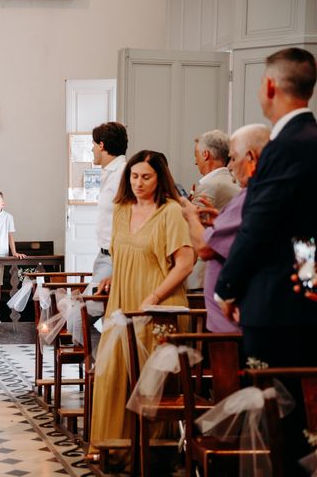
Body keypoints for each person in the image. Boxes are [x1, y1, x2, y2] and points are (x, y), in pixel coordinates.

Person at [215, 48, 317, 474]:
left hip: (274, 304)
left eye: (259, 82)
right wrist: (310, 283)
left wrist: (228, 287)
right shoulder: (310, 140)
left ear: (271, 86)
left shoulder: (284, 145)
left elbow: (260, 223)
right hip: (298, 295)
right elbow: (306, 234)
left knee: (280, 414)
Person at [90, 150, 194, 467]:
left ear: (160, 178)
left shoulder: (170, 212)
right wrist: (111, 274)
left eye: (146, 177)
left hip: (158, 306)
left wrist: (155, 297)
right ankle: (110, 445)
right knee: (111, 373)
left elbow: (186, 262)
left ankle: (150, 454)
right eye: (134, 176)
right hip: (122, 301)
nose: (138, 182)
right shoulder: (122, 210)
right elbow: (124, 252)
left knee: (150, 384)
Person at [181, 124, 270, 333]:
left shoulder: (252, 195)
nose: (230, 166)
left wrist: (191, 214)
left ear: (250, 158)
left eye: (233, 158)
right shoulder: (250, 193)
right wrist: (220, 219)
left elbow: (205, 247)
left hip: (232, 321)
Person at [186, 130, 240, 290]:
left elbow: (193, 229)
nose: (195, 162)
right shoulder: (232, 182)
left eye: (196, 155)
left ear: (205, 154)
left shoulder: (210, 186)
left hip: (204, 271)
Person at [90, 122, 128, 293]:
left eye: (93, 145)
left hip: (117, 258)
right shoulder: (109, 172)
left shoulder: (124, 173)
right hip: (104, 254)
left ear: (101, 145)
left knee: (79, 315)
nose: (92, 150)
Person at [0, 190, 26, 323]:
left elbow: (10, 236)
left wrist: (14, 252)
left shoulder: (8, 217)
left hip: (1, 255)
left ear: (3, 204)